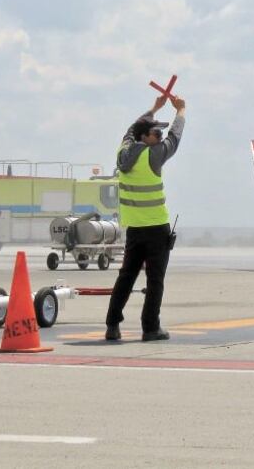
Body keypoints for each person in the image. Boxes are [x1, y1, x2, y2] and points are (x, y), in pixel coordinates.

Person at [105, 93, 186, 341]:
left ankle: (112, 326)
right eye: (155, 133)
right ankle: (150, 328)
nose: (160, 137)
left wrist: (154, 108)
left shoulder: (123, 152)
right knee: (155, 281)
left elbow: (131, 129)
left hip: (134, 229)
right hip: (155, 228)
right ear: (145, 137)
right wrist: (180, 110)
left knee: (126, 277)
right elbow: (175, 136)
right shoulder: (154, 155)